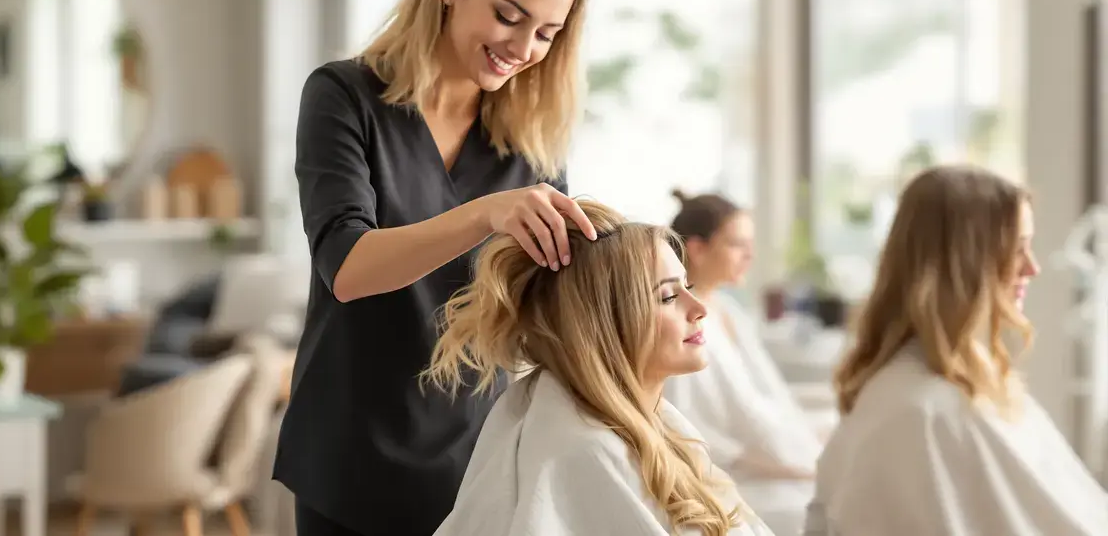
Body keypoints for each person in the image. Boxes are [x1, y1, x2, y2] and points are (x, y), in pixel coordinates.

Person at [272, 0, 596, 535]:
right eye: (509, 16)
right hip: (351, 456)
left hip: (477, 456)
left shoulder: (530, 145)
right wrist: (485, 213)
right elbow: (349, 267)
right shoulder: (343, 98)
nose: (522, 48)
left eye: (545, 33)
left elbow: (548, 303)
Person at [427, 198, 775, 536]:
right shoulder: (583, 453)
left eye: (688, 287)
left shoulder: (661, 429)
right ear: (607, 322)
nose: (699, 308)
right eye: (668, 297)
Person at [804, 165, 1108, 535]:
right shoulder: (923, 412)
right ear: (966, 262)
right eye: (1017, 249)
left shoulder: (957, 388)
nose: (1033, 267)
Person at [661, 191, 823, 535]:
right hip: (734, 480)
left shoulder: (729, 312)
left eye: (750, 244)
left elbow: (771, 403)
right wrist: (805, 465)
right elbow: (724, 434)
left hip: (774, 464)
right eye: (737, 244)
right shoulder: (685, 332)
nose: (749, 255)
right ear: (698, 249)